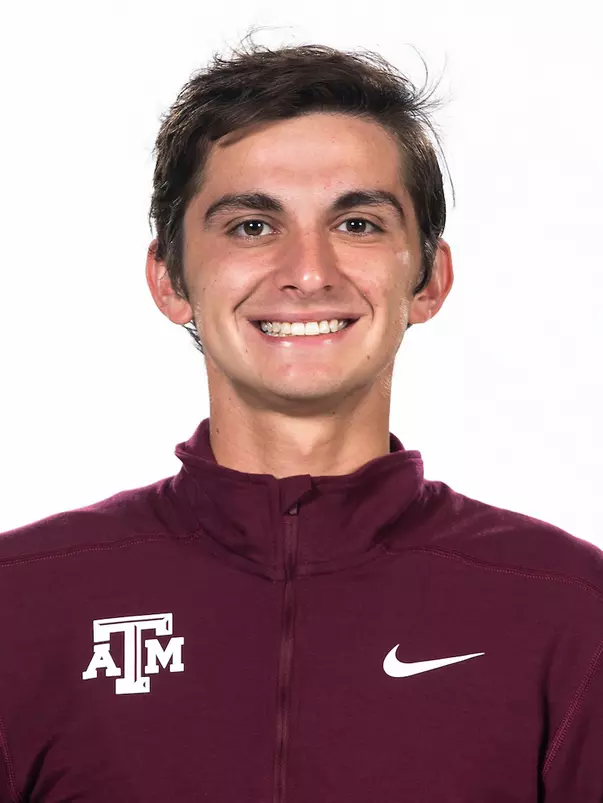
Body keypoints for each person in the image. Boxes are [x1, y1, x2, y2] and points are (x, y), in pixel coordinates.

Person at [0, 37, 601, 803]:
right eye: (252, 225)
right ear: (169, 278)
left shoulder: (567, 611)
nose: (309, 271)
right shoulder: (19, 604)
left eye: (357, 224)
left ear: (428, 278)